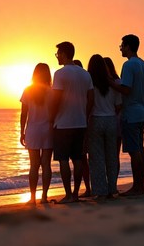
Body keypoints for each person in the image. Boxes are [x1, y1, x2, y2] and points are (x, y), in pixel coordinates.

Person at [50, 42, 94, 203]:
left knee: (63, 159)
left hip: (62, 123)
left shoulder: (60, 74)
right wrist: (85, 114)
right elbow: (91, 98)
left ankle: (68, 194)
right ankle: (75, 193)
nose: (57, 57)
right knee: (77, 158)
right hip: (80, 122)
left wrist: (51, 117)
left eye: (58, 54)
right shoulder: (85, 74)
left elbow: (56, 99)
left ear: (63, 54)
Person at [110, 34, 144, 196]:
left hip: (131, 114)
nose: (120, 48)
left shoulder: (128, 65)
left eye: (122, 45)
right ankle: (139, 186)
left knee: (134, 151)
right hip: (142, 112)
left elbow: (126, 89)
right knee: (140, 150)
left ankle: (137, 187)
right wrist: (142, 104)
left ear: (128, 46)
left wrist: (110, 83)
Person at [88, 54, 122, 198]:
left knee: (97, 158)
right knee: (112, 157)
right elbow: (119, 105)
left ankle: (99, 190)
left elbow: (88, 104)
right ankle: (112, 188)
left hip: (95, 120)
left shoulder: (90, 84)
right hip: (111, 121)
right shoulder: (112, 84)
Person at [20, 63, 53, 205]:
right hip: (48, 129)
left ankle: (32, 198)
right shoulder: (52, 91)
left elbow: (23, 114)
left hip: (33, 130)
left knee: (34, 165)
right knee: (46, 164)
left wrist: (22, 132)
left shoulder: (28, 90)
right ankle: (44, 196)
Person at [73, 59, 91, 197]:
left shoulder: (81, 86)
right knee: (83, 158)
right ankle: (88, 188)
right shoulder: (85, 82)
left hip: (82, 123)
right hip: (85, 122)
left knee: (81, 158)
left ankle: (87, 188)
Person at [104, 57, 122, 175]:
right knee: (112, 154)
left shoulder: (116, 82)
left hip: (114, 120)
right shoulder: (116, 82)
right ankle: (111, 182)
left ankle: (112, 181)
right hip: (114, 120)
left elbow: (119, 104)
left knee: (113, 154)